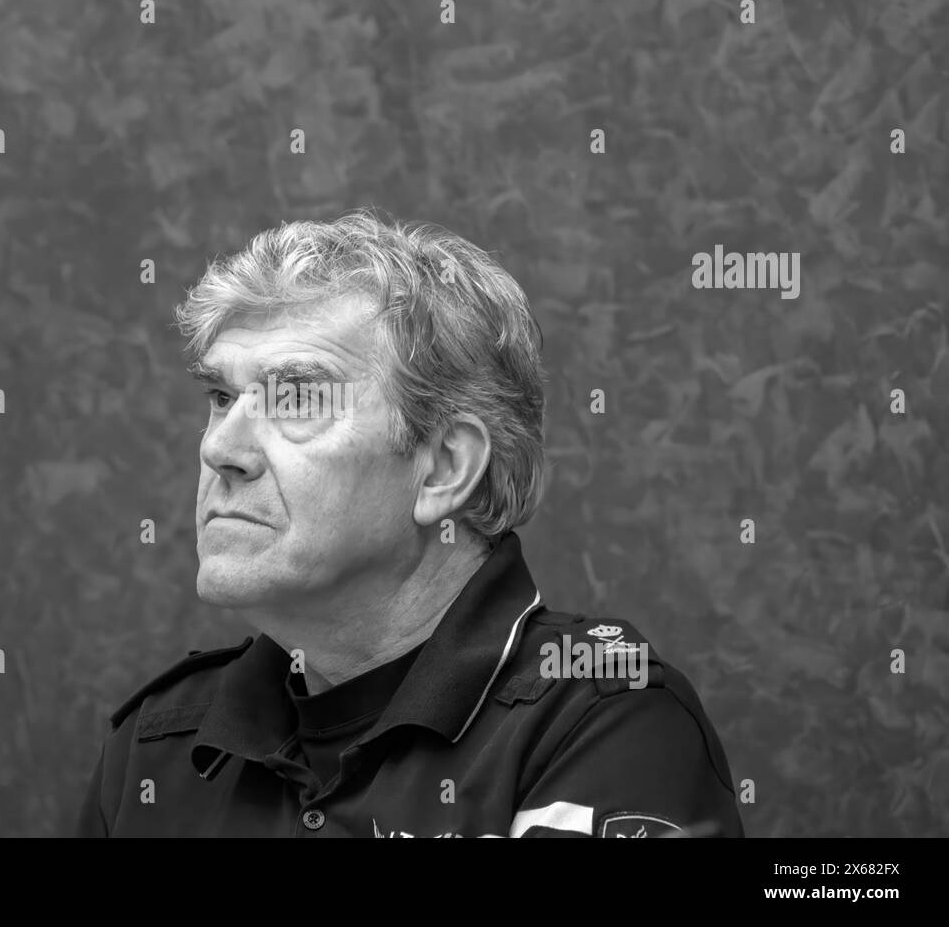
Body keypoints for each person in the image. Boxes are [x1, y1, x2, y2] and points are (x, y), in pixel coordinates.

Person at [76, 208, 743, 837]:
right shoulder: (159, 747)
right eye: (221, 397)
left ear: (444, 468)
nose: (221, 449)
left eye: (298, 399)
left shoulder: (600, 721)